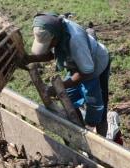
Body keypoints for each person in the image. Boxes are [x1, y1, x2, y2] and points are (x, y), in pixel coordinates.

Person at [25, 12, 120, 143]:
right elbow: (51, 53)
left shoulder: (75, 41)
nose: (48, 47)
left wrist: (59, 87)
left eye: (49, 44)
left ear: (55, 39)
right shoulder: (55, 29)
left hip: (96, 66)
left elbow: (86, 72)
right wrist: (30, 58)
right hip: (77, 66)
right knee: (70, 98)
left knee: (98, 108)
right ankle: (83, 134)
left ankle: (104, 145)